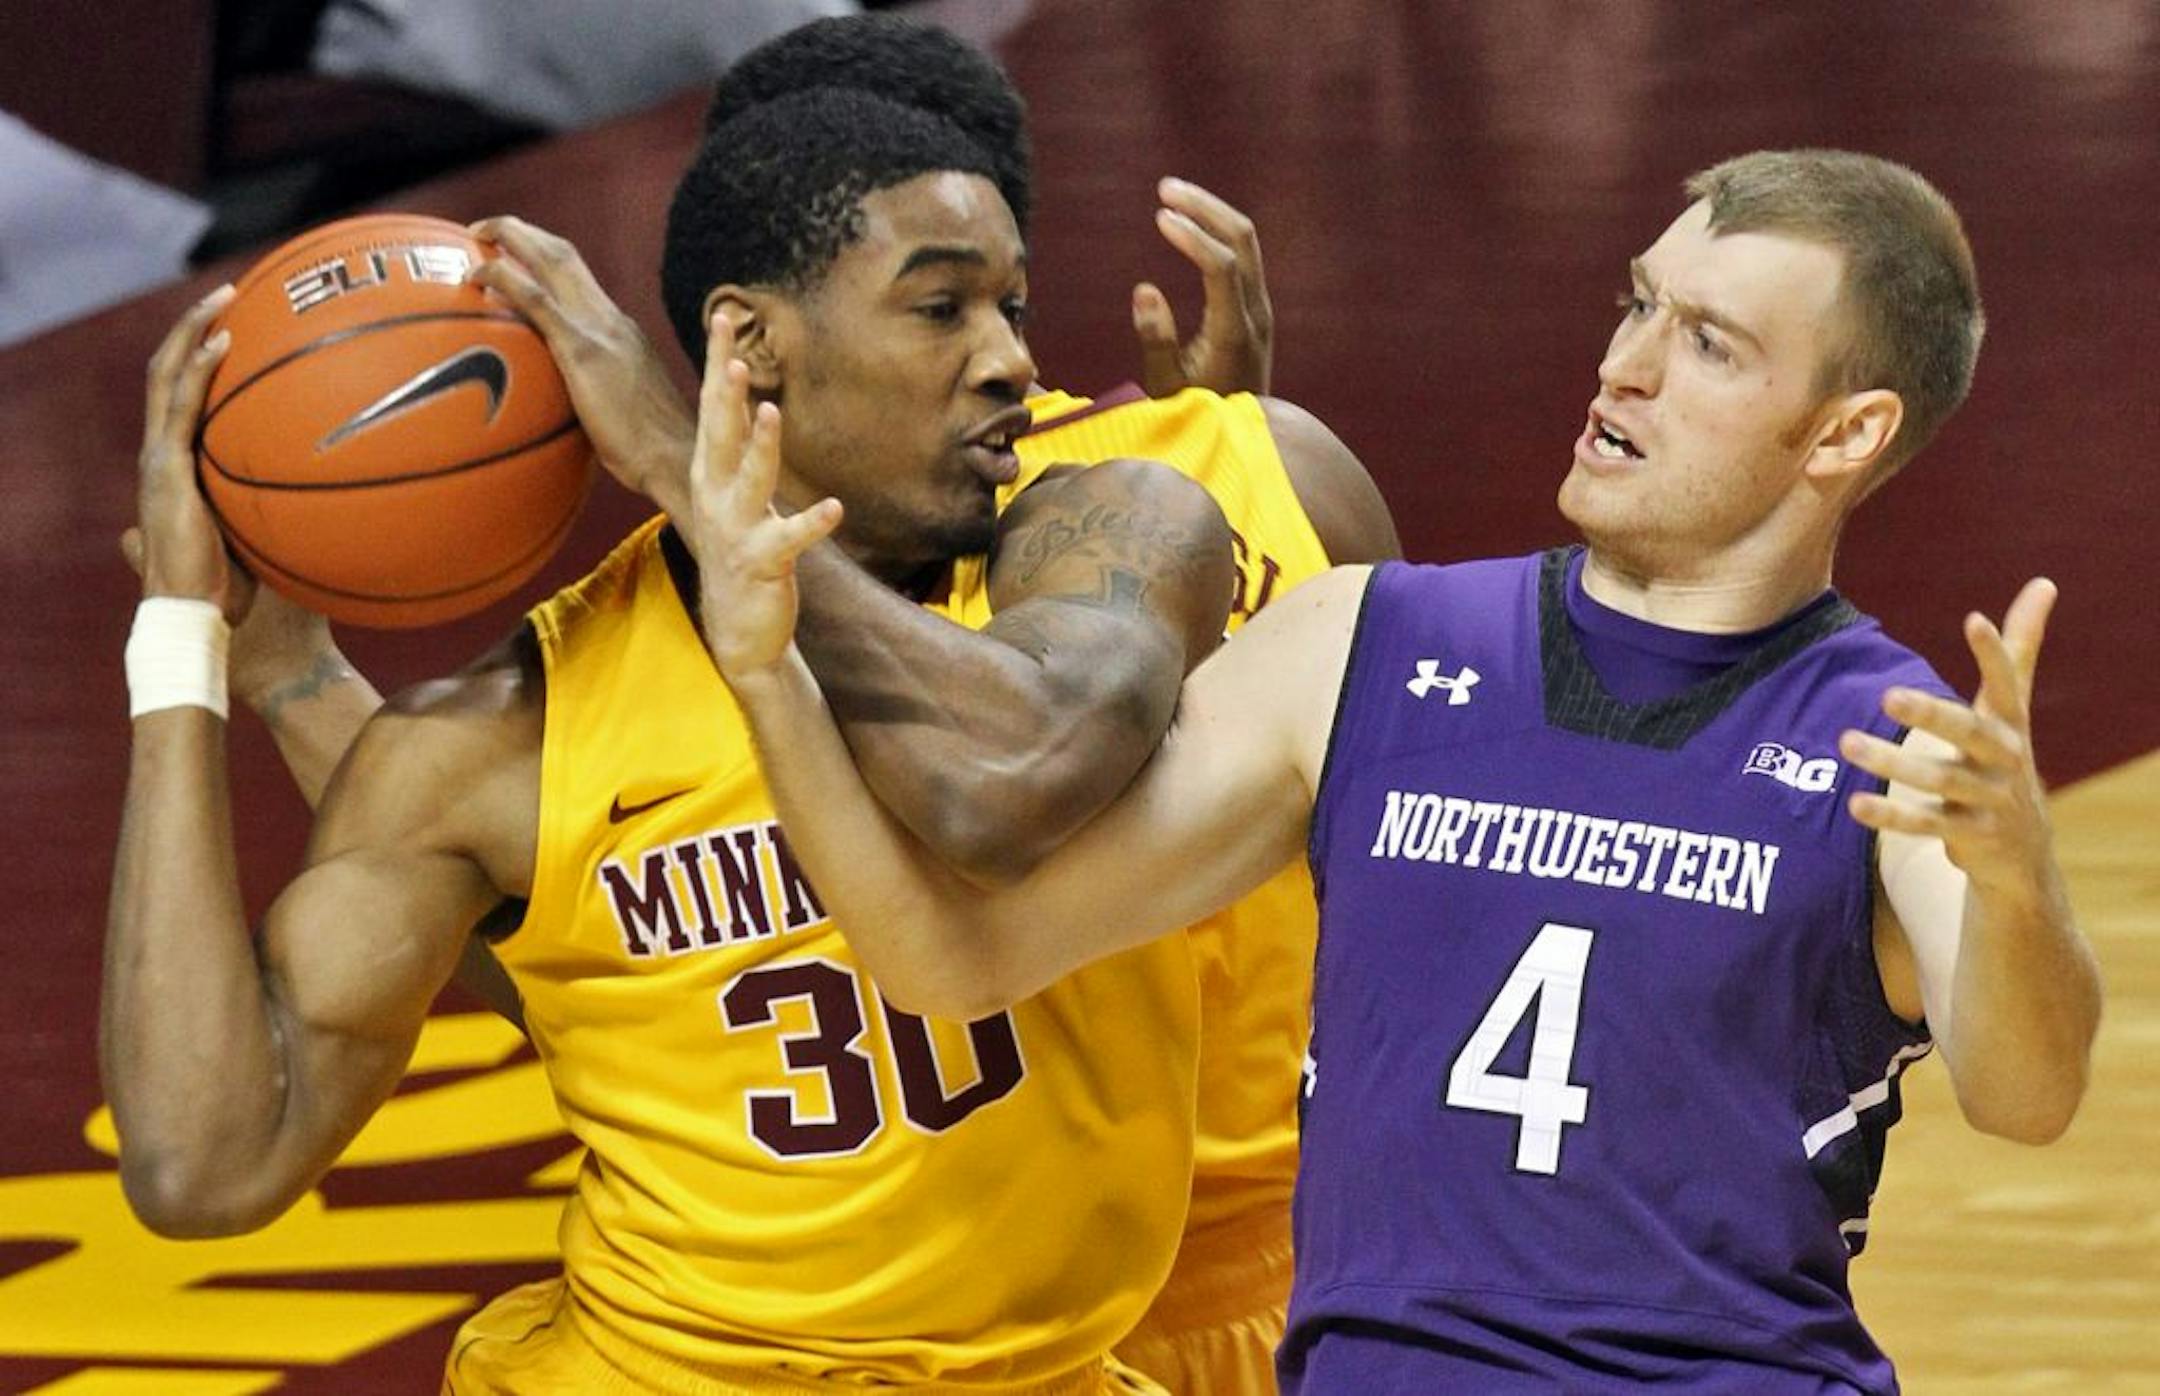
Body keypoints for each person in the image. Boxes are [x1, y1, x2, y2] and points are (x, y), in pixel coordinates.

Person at [692, 148, 2103, 1392]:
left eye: (1712, 346)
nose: (1624, 368)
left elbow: (2026, 1096)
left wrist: (2020, 883)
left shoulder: (1893, 744)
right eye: (1638, 305)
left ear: (1846, 433)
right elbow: (956, 958)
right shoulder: (1361, 642)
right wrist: (773, 674)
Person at [105, 36, 1391, 1396]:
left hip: (1096, 1347)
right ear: (752, 340)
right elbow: (207, 1164)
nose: (1012, 357)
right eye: (943, 309)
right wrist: (191, 649)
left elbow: (1002, 779)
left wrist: (684, 467)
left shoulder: (1120, 521)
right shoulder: (503, 733)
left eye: (1013, 304)